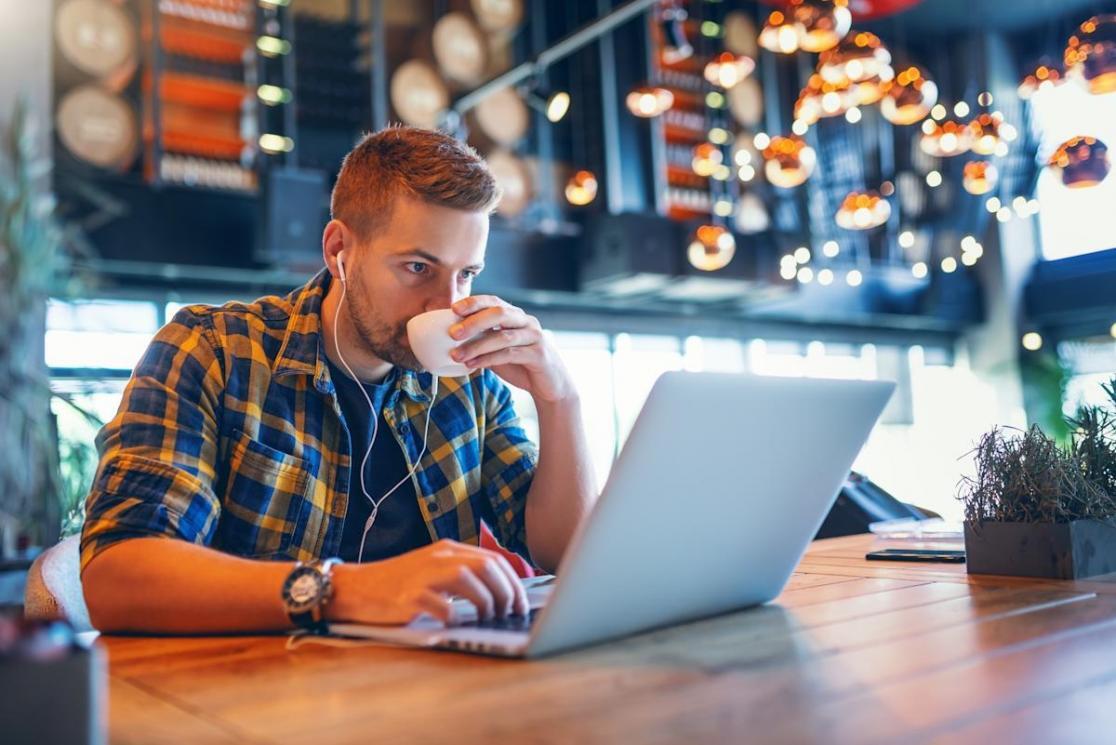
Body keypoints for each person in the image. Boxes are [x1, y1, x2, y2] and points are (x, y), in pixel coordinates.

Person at [80, 126, 597, 634]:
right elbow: (116, 577)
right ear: (338, 251)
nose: (447, 304)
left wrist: (560, 398)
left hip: (431, 686)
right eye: (418, 267)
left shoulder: (469, 383)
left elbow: (563, 555)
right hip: (249, 695)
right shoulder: (215, 351)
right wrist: (346, 590)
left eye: (466, 274)